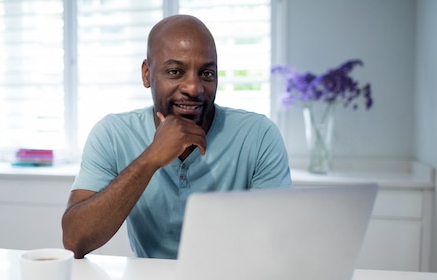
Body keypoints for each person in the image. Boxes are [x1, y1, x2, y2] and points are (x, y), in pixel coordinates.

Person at [62, 14, 292, 260]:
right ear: (147, 74)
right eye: (175, 71)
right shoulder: (112, 134)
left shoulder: (258, 135)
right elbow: (75, 240)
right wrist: (150, 158)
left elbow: (279, 241)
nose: (193, 88)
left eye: (206, 73)